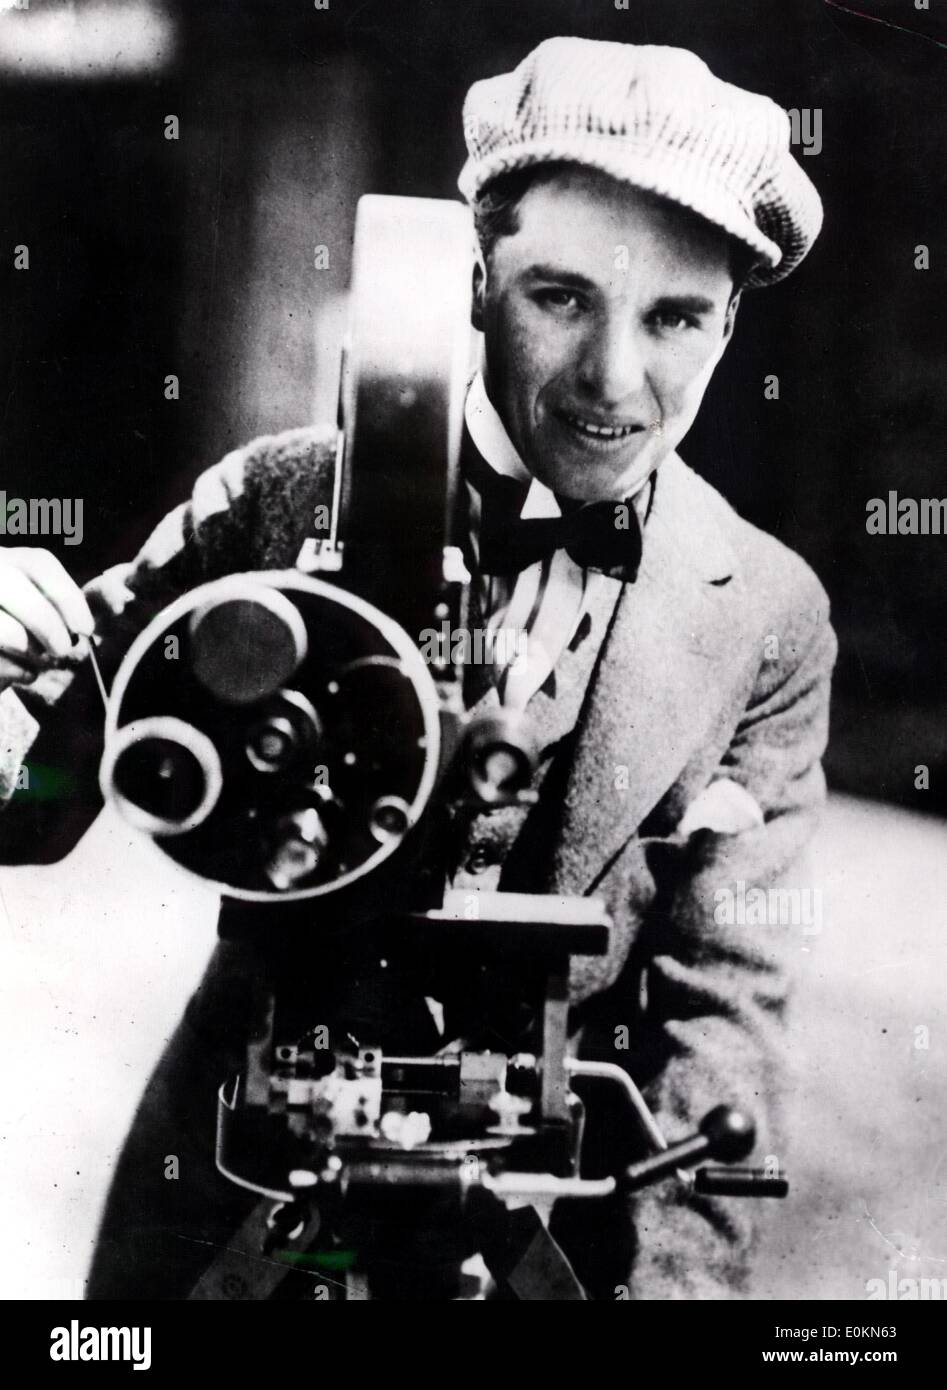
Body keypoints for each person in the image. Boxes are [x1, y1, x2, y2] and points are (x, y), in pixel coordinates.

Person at [0, 38, 835, 1299]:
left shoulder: (767, 613)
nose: (614, 380)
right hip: (240, 1222)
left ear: (730, 323)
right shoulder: (277, 501)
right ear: (473, 281)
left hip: (553, 1247)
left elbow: (720, 1016)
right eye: (560, 297)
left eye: (672, 318)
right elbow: (35, 797)